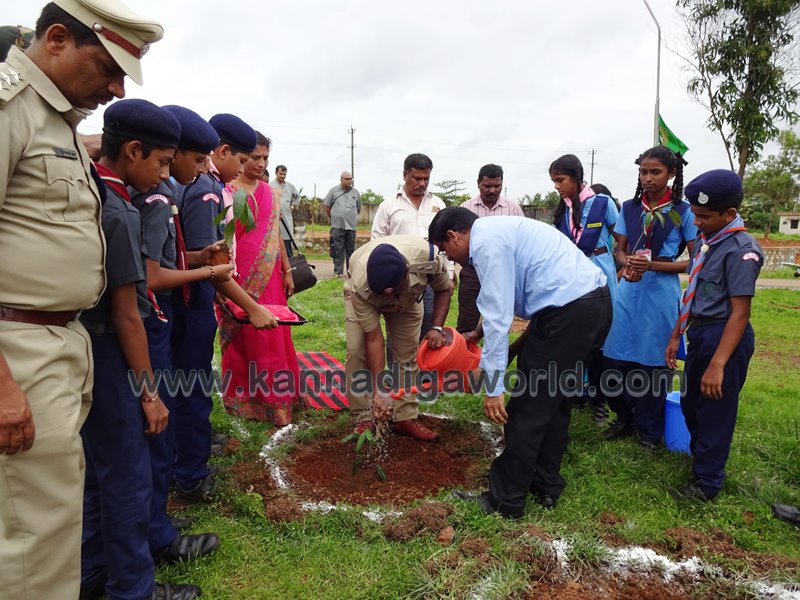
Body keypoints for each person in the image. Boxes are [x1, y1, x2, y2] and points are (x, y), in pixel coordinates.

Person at [0, 2, 162, 598]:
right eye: (109, 68)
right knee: (32, 540)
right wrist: (3, 384)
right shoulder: (11, 107)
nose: (117, 89)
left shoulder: (58, 121)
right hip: (19, 349)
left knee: (54, 521)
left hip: (60, 342)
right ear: (58, 39)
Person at [80, 99, 210, 600]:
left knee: (102, 472)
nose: (164, 174)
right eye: (162, 162)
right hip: (117, 347)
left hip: (96, 344)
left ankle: (94, 573)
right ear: (133, 151)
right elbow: (128, 311)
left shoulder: (95, 187)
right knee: (129, 473)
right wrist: (150, 393)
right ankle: (133, 587)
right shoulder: (120, 211)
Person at [429, 208, 611, 518]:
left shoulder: (486, 244)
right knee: (554, 400)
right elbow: (507, 297)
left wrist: (493, 388)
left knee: (527, 407)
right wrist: (480, 333)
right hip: (588, 306)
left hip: (569, 312)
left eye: (446, 251)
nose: (452, 259)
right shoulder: (497, 232)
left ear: (453, 235)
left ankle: (505, 500)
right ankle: (545, 483)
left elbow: (500, 318)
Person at [130, 104, 231, 574]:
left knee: (170, 405)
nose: (204, 167)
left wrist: (200, 256)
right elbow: (153, 275)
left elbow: (170, 258)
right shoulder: (157, 197)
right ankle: (157, 528)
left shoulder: (168, 192)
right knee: (160, 411)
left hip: (164, 313)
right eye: (196, 158)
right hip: (158, 315)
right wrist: (208, 271)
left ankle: (160, 520)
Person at [172, 114, 278, 505]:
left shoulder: (206, 185)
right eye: (244, 159)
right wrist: (251, 307)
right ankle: (190, 473)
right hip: (192, 297)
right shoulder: (207, 190)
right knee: (192, 384)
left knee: (188, 382)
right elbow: (211, 266)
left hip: (192, 292)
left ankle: (189, 451)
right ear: (223, 151)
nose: (247, 168)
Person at [666, 169, 762, 502]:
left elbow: (740, 313)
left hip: (725, 337)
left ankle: (707, 483)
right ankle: (701, 461)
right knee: (691, 403)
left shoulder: (741, 250)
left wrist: (718, 364)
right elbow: (692, 294)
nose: (696, 221)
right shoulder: (708, 241)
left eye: (704, 216)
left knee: (715, 412)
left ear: (729, 214)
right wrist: (676, 335)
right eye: (694, 213)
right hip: (700, 333)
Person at [602, 146, 697, 449]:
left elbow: (695, 261)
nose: (648, 177)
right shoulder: (630, 208)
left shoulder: (683, 212)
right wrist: (627, 262)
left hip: (660, 293)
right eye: (643, 171)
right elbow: (619, 249)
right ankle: (624, 417)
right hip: (629, 291)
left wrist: (652, 265)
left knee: (653, 366)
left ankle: (649, 432)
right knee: (614, 361)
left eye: (655, 172)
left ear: (671, 174)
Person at [219, 132, 301, 426]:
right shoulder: (227, 191)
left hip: (271, 277)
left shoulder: (270, 192)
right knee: (245, 336)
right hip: (237, 278)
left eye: (266, 158)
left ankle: (278, 399)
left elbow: (276, 233)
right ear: (242, 156)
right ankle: (246, 400)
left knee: (273, 335)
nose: (261, 163)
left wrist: (286, 270)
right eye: (255, 157)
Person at [344, 236, 452, 442]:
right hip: (365, 298)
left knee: (407, 354)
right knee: (357, 350)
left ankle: (405, 417)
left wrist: (437, 327)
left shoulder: (428, 258)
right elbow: (374, 339)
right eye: (384, 294)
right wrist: (379, 390)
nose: (388, 299)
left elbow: (444, 289)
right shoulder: (360, 284)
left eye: (392, 291)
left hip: (408, 300)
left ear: (406, 272)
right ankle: (363, 415)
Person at [549, 155, 620, 425]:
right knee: (576, 337)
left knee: (600, 339)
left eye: (561, 180)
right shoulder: (563, 210)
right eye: (554, 181)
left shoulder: (602, 203)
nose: (557, 186)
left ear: (577, 178)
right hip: (572, 280)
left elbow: (621, 240)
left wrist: (623, 265)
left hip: (601, 276)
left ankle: (599, 400)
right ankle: (576, 393)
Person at [372, 153, 454, 347]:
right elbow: (376, 242)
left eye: (426, 179)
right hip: (402, 279)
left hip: (432, 275)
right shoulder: (389, 206)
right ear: (405, 175)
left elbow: (447, 241)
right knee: (399, 331)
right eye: (417, 178)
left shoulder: (438, 205)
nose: (422, 183)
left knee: (431, 327)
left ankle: (424, 366)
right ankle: (397, 367)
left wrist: (449, 273)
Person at [457, 163, 524, 335]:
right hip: (472, 270)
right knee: (467, 319)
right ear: (478, 183)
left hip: (503, 271)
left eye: (497, 186)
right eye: (487, 186)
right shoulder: (465, 209)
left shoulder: (512, 209)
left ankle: (494, 350)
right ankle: (464, 350)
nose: (492, 190)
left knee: (499, 318)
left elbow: (521, 239)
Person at [324, 171, 361, 277]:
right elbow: (327, 207)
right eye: (347, 179)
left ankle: (350, 272)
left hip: (351, 226)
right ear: (341, 179)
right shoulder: (333, 191)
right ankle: (338, 272)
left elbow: (358, 208)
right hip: (337, 225)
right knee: (337, 249)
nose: (350, 181)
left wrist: (350, 216)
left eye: (351, 179)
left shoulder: (355, 193)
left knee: (351, 250)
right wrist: (335, 217)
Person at [271, 164, 301, 257]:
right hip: (274, 216)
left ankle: (289, 262)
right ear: (276, 173)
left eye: (284, 174)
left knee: (287, 237)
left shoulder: (290, 186)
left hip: (286, 216)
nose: (283, 176)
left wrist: (293, 205)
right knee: (275, 240)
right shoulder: (270, 185)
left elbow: (298, 196)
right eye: (281, 174)